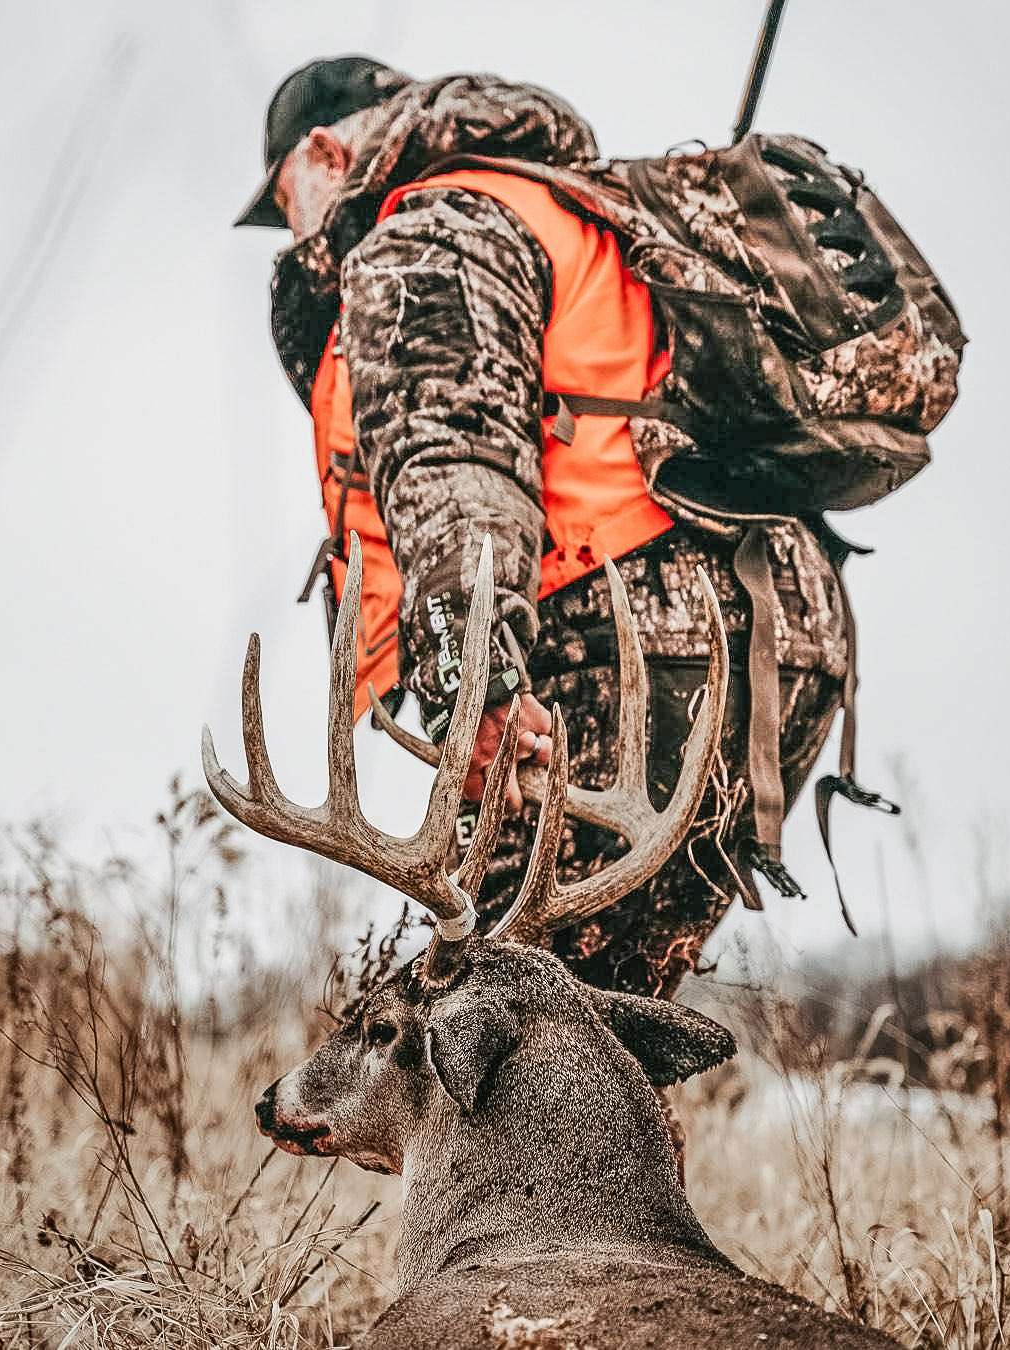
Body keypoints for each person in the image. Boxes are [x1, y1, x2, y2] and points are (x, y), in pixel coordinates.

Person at [234, 57, 848, 999]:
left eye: (287, 199)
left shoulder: (425, 227)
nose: (297, 231)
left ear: (324, 151)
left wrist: (466, 681)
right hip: (775, 627)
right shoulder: (564, 206)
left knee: (489, 1028)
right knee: (600, 1030)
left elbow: (454, 457)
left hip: (628, 635)